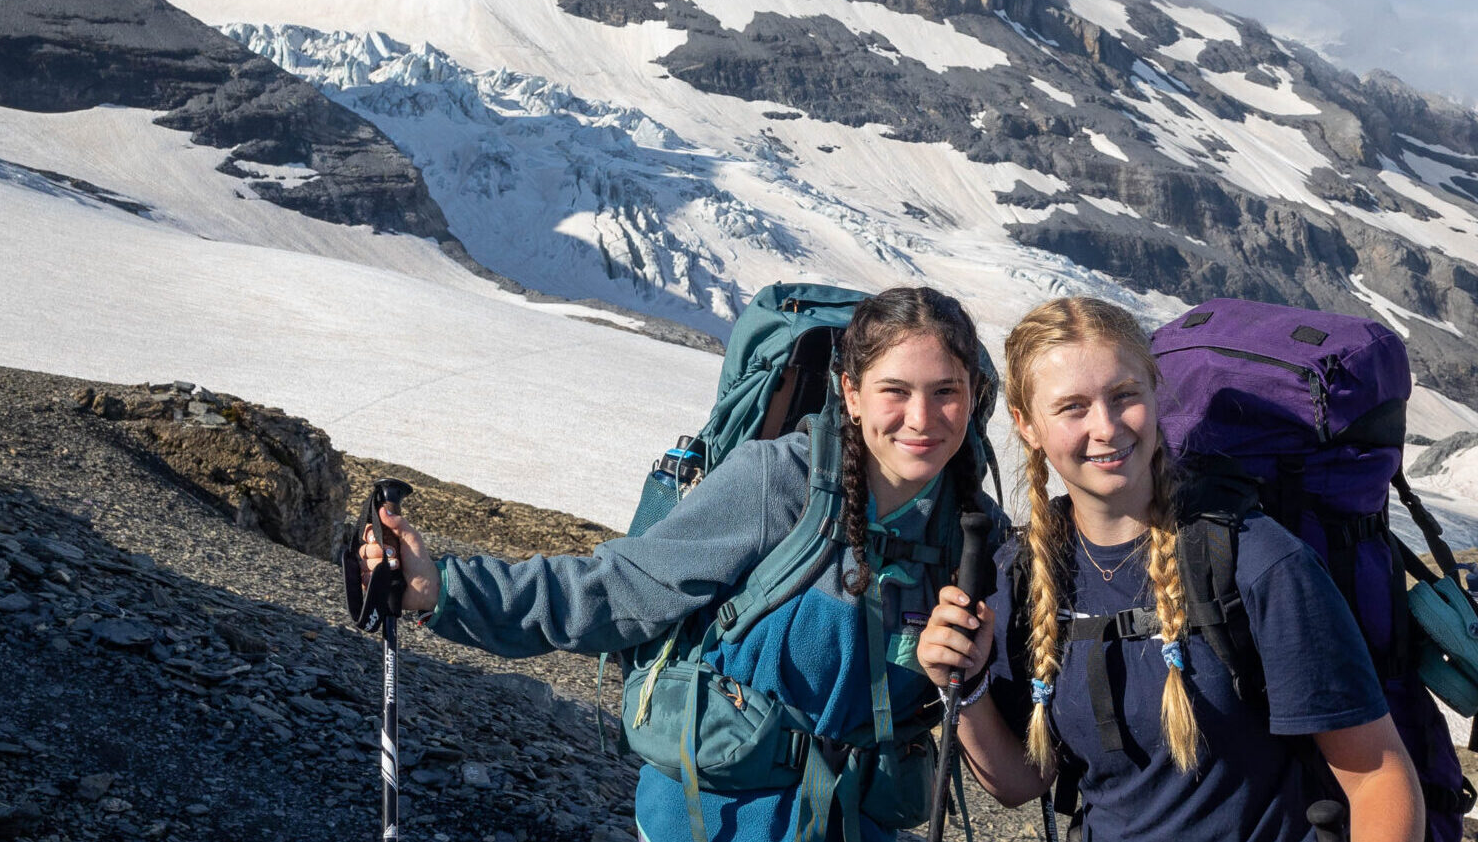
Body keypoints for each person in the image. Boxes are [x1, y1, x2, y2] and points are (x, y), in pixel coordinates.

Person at [360, 287, 1005, 842]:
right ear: (852, 392)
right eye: (895, 390)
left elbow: (1008, 734)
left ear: (972, 394)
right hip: (705, 822)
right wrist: (443, 587)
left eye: (945, 391)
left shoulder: (974, 538)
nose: (921, 419)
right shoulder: (779, 485)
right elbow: (619, 589)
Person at [915, 297, 1423, 842]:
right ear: (1027, 425)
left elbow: (1378, 778)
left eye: (1124, 396)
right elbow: (1022, 781)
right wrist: (963, 690)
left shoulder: (1257, 562)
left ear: (1156, 394)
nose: (1106, 427)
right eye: (1073, 408)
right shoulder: (1026, 571)